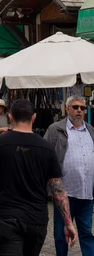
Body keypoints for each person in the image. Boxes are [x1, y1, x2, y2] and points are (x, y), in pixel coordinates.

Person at [0, 99, 77, 256]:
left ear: (10, 117)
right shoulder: (46, 148)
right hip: (37, 220)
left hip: (6, 218)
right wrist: (68, 223)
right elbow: (58, 189)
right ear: (33, 117)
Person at [44, 95, 94, 256]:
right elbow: (44, 155)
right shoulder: (55, 129)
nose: (79, 110)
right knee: (60, 234)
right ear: (67, 109)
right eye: (75, 107)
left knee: (86, 232)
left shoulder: (91, 130)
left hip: (87, 193)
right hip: (64, 193)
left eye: (82, 108)